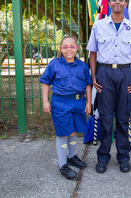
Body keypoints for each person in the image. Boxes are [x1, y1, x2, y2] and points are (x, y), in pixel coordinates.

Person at [86, 0, 131, 173]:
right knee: (105, 118)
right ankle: (103, 157)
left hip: (125, 74)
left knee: (123, 118)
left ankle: (123, 157)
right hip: (104, 74)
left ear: (125, 4)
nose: (117, 2)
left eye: (121, 0)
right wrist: (94, 77)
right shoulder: (99, 25)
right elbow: (92, 54)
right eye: (114, 0)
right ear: (109, 3)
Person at [39, 36, 92, 180]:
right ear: (61, 49)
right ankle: (62, 164)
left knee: (74, 132)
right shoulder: (54, 64)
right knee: (63, 133)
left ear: (77, 48)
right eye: (65, 47)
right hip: (60, 103)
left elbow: (88, 84)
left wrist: (88, 102)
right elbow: (45, 82)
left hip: (78, 103)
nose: (68, 49)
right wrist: (45, 101)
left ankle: (72, 157)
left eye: (72, 46)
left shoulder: (83, 66)